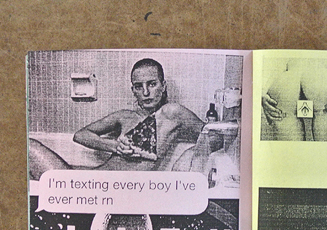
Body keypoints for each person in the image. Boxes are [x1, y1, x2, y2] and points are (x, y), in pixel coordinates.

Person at [29, 59, 204, 178]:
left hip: (117, 190)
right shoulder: (125, 116)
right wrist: (115, 146)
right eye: (138, 86)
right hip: (92, 183)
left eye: (152, 84)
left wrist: (191, 153)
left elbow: (214, 134)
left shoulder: (173, 113)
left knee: (28, 149)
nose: (146, 92)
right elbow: (80, 135)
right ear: (133, 90)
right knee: (28, 146)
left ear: (163, 86)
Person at [261, 59, 327, 141]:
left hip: (289, 80)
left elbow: (278, 66)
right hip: (320, 77)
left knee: (289, 149)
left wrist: (263, 92)